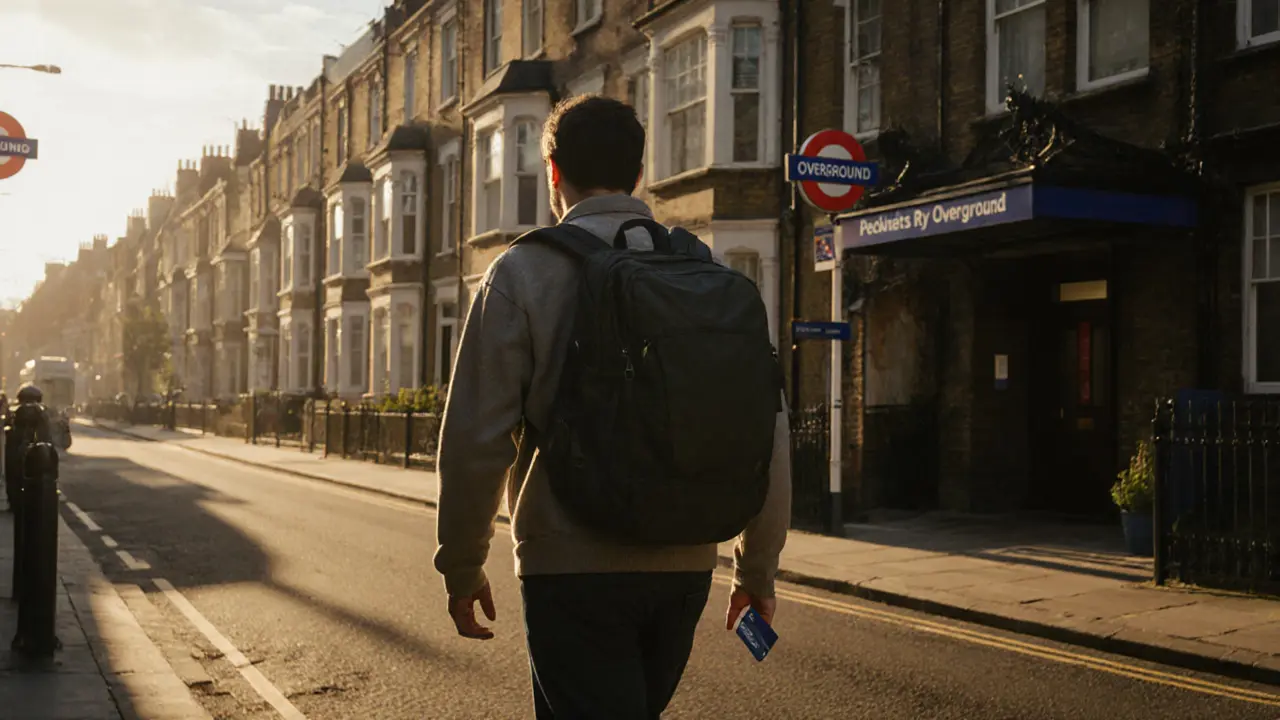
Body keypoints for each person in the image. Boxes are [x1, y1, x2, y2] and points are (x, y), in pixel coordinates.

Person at [433, 94, 792, 719]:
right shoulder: (700, 271)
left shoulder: (522, 273)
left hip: (569, 566)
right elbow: (764, 428)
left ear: (552, 173)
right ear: (640, 173)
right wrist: (756, 570)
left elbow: (476, 438)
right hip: (683, 566)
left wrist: (462, 563)